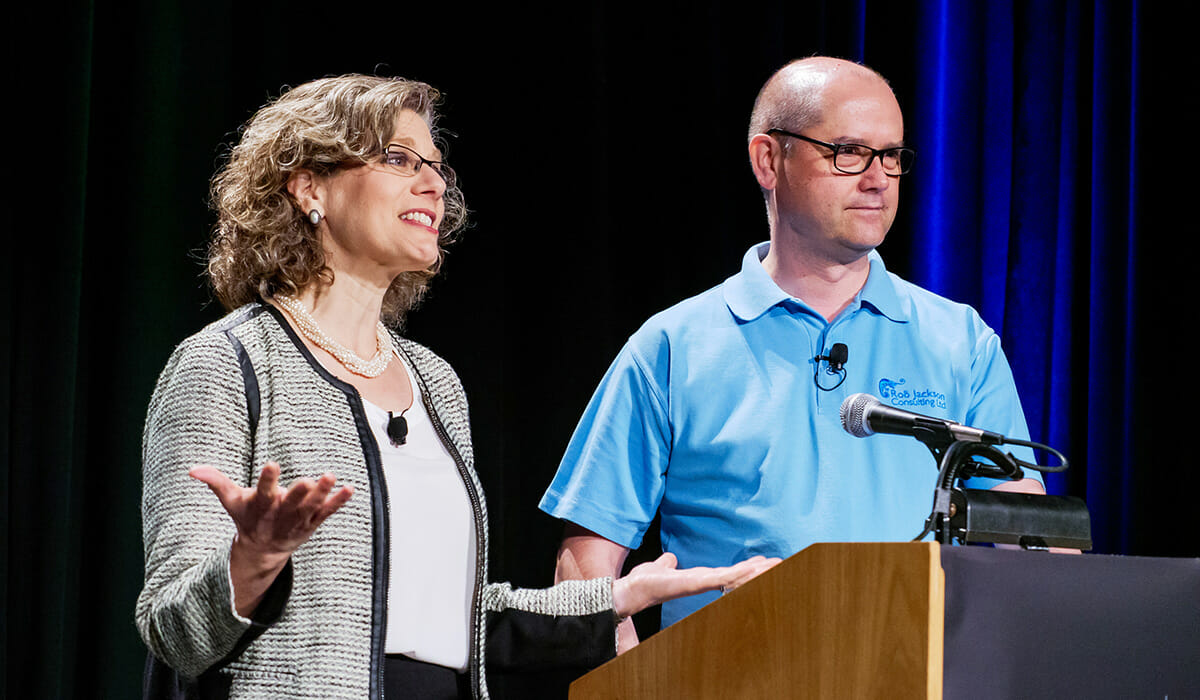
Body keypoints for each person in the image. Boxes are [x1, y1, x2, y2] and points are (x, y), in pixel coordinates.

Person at [135, 74, 776, 700]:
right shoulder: (226, 362)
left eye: (436, 165)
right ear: (310, 188)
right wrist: (254, 557)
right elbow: (172, 627)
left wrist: (615, 599)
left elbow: (459, 621)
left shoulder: (434, 382)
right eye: (397, 158)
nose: (433, 182)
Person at [539, 56, 1047, 652]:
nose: (878, 178)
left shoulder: (959, 341)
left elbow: (1030, 544)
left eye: (891, 156)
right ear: (768, 160)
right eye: (848, 152)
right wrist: (629, 684)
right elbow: (588, 560)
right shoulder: (674, 346)